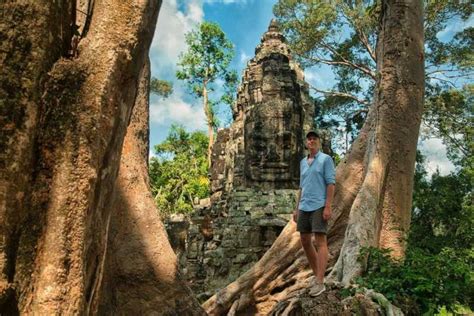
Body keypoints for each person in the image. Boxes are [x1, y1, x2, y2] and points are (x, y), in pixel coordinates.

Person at [293, 130, 335, 296]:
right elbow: (301, 187)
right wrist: (296, 208)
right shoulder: (303, 162)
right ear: (306, 143)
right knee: (304, 240)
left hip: (319, 204)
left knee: (320, 241)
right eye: (309, 139)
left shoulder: (326, 159)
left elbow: (330, 183)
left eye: (314, 139)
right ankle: (317, 274)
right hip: (304, 205)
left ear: (319, 142)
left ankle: (319, 281)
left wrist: (328, 206)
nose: (311, 141)